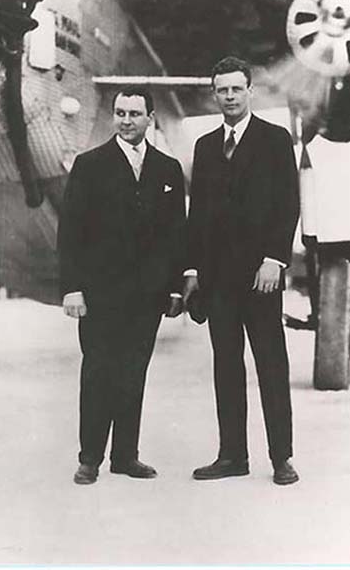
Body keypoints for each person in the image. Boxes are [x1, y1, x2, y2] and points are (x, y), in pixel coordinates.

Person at [57, 87, 186, 485]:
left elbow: (175, 235)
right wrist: (72, 288)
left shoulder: (168, 169)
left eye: (134, 113)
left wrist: (175, 288)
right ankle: (89, 458)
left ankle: (126, 456)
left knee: (134, 372)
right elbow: (71, 232)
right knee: (98, 372)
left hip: (147, 295)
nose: (126, 120)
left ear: (150, 118)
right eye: (120, 113)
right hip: (99, 294)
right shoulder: (89, 165)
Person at [183, 56, 300, 485]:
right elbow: (198, 217)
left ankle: (282, 458)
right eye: (222, 90)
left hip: (261, 277)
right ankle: (232, 455)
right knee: (226, 366)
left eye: (236, 89)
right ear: (214, 94)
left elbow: (288, 203)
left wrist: (275, 259)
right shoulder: (205, 147)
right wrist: (193, 270)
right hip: (219, 281)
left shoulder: (274, 139)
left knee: (271, 364)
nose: (229, 97)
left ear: (250, 90)